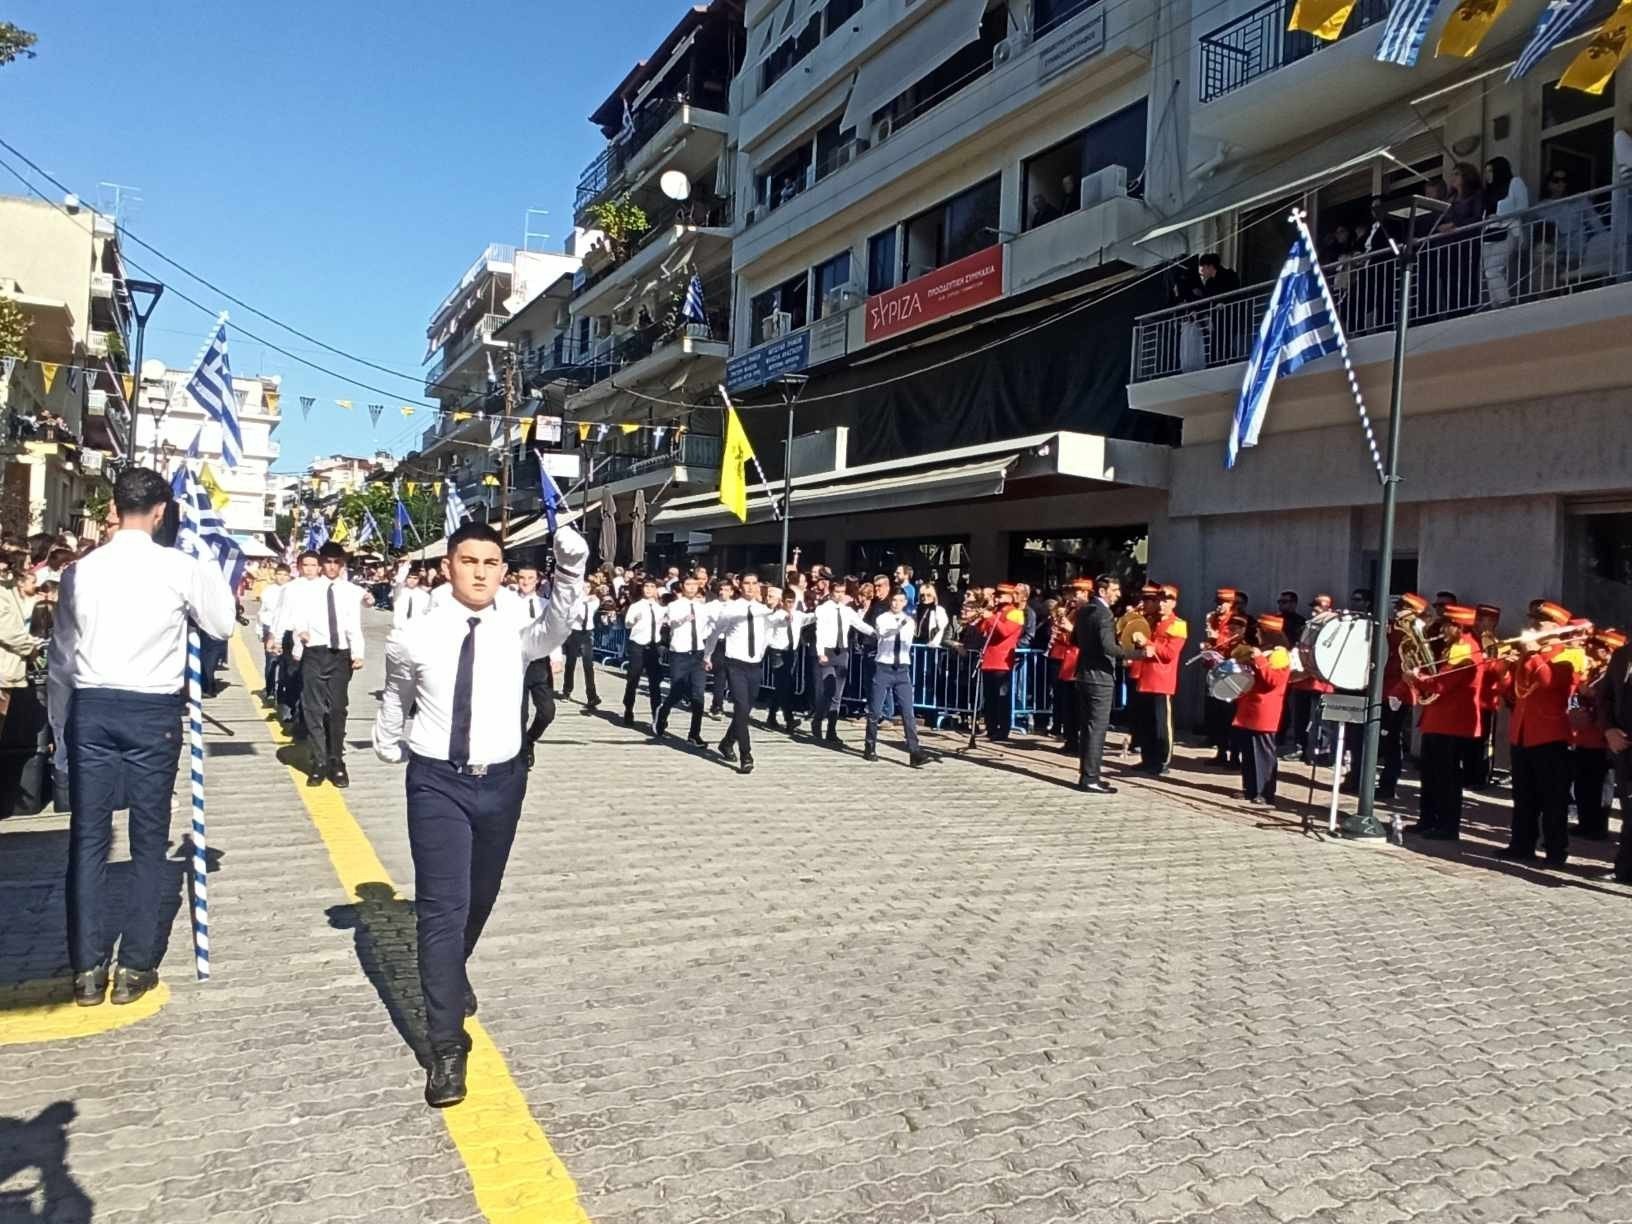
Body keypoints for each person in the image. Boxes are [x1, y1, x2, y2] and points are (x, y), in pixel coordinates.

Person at [372, 521, 584, 1107]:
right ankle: (445, 1046)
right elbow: (396, 695)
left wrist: (569, 571)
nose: (482, 572)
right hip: (438, 781)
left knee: (481, 896)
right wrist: (387, 737)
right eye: (470, 561)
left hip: (502, 780)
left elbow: (558, 624)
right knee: (443, 908)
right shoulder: (415, 633)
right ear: (449, 565)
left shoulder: (518, 621)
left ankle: (450, 971)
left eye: (492, 562)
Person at [55, 467, 236, 1007]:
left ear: (115, 508)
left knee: (87, 840)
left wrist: (62, 735)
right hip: (150, 708)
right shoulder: (178, 567)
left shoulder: (80, 571)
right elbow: (223, 624)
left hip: (90, 705)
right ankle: (134, 966)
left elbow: (61, 659)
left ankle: (86, 969)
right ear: (160, 511)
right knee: (148, 840)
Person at [1494, 600, 1583, 865]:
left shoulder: (1567, 655)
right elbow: (1515, 692)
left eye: (1539, 622)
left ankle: (1556, 851)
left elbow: (1550, 683)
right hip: (1522, 733)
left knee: (1552, 799)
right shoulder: (1528, 655)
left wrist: (1532, 655)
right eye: (1532, 620)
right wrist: (1504, 669)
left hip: (1550, 734)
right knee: (1523, 796)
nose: (1532, 626)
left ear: (1556, 627)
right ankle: (1521, 845)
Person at [286, 542, 368, 788]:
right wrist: (300, 636)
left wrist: (358, 651)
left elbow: (354, 622)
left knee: (337, 709)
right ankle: (319, 761)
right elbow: (297, 618)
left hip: (340, 654)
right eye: (328, 561)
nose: (332, 566)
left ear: (342, 565)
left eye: (337, 562)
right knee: (313, 709)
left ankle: (336, 761)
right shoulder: (307, 590)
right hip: (315, 652)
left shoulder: (351, 590)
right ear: (321, 563)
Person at [1409, 605, 1485, 841]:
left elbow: (1443, 684)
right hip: (1438, 720)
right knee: (1430, 774)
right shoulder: (1453, 647)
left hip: (1452, 722)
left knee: (1447, 777)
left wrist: (1417, 678)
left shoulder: (1464, 649)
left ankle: (1446, 825)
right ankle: (1428, 819)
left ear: (1458, 626)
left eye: (1446, 625)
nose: (1442, 629)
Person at [703, 571, 771, 775]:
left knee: (746, 710)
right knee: (741, 707)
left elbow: (768, 633)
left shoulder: (763, 610)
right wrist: (707, 655)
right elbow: (715, 633)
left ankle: (726, 742)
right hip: (735, 664)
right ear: (739, 586)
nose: (751, 587)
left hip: (755, 665)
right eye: (747, 583)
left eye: (754, 583)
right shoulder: (731, 609)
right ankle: (746, 754)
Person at [1233, 615, 1293, 806]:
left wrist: (1258, 659)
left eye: (1259, 630)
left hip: (1265, 709)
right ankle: (1250, 788)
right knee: (1249, 752)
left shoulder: (1280, 653)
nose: (1256, 633)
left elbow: (1274, 680)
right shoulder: (1263, 650)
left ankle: (1265, 792)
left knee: (1263, 754)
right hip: (1250, 706)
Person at [864, 589, 927, 767]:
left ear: (905, 602)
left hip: (902, 669)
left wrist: (905, 625)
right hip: (884, 667)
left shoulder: (909, 621)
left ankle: (914, 751)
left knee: (908, 712)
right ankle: (870, 746)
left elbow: (907, 640)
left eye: (900, 600)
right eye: (894, 600)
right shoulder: (882, 618)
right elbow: (883, 634)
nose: (896, 603)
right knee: (875, 710)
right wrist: (898, 626)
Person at [1073, 574, 1124, 794]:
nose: (1118, 595)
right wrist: (1138, 653)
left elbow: (1074, 639)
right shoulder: (1104, 614)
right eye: (1115, 590)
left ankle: (1086, 774)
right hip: (1100, 677)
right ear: (1103, 592)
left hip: (1084, 673)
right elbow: (1109, 648)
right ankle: (1091, 778)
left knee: (1087, 728)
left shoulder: (1084, 610)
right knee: (1097, 729)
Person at [1133, 583, 1187, 776]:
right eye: (1159, 600)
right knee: (1145, 722)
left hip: (1162, 680)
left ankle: (1163, 761)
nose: (1162, 604)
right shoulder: (1151, 621)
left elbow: (1170, 654)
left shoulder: (1178, 624)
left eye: (1166, 600)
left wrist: (1147, 643)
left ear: (1174, 603)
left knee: (1162, 725)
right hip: (1145, 677)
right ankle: (1148, 759)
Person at [812, 585, 871, 748]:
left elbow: (859, 624)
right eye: (836, 592)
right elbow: (820, 631)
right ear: (831, 592)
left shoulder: (847, 611)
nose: (839, 595)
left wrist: (876, 633)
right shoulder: (823, 609)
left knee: (838, 694)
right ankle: (817, 720)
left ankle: (831, 729)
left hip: (842, 653)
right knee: (828, 689)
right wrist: (820, 652)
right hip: (828, 651)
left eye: (842, 592)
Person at [655, 575, 710, 746]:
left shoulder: (703, 607)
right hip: (680, 652)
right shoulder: (675, 605)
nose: (692, 588)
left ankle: (695, 733)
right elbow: (672, 622)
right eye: (688, 584)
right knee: (677, 692)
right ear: (682, 586)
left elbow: (708, 627)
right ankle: (662, 715)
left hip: (698, 653)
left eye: (694, 584)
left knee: (698, 695)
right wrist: (684, 619)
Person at [511, 564, 557, 763]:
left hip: (539, 662)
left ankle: (530, 738)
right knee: (519, 714)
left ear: (537, 580)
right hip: (516, 661)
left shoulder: (545, 604)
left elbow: (553, 632)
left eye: (530, 578)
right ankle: (522, 752)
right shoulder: (508, 603)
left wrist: (556, 658)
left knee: (547, 711)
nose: (526, 582)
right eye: (522, 578)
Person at [1599, 630, 1632, 883]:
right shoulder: (1622, 656)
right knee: (1629, 809)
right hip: (1624, 744)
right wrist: (1608, 729)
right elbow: (1606, 696)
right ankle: (1625, 869)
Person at [976, 585, 1025, 742]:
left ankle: (1003, 730)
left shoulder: (1016, 613)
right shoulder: (996, 612)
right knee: (989, 697)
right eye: (997, 594)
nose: (997, 597)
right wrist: (981, 618)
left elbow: (1004, 632)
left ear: (1011, 597)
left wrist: (990, 617)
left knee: (1002, 698)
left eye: (1002, 595)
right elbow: (983, 631)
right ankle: (990, 728)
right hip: (989, 660)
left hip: (1002, 661)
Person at [1482, 156, 1529, 306]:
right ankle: (1495, 304)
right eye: (1486, 171)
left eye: (1490, 171)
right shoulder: (1489, 192)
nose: (1487, 174)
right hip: (1489, 234)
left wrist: (1500, 216)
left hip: (1508, 230)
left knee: (1492, 269)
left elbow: (1523, 207)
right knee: (1489, 272)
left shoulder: (1515, 182)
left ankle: (1505, 303)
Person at [619, 577, 665, 729]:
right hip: (638, 645)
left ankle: (657, 716)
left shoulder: (660, 607)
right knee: (633, 679)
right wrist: (634, 619)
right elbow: (627, 623)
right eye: (646, 586)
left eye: (652, 586)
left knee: (655, 682)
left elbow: (665, 623)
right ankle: (628, 709)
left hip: (653, 646)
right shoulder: (636, 606)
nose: (649, 589)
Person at [764, 588, 807, 733]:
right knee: (783, 685)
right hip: (777, 652)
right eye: (788, 602)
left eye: (792, 602)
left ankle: (772, 716)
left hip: (791, 653)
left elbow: (810, 617)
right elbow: (775, 620)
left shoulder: (798, 615)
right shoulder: (777, 615)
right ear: (782, 601)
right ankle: (789, 719)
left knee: (783, 686)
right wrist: (785, 618)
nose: (790, 605)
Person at [560, 579, 601, 710]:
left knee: (588, 665)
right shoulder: (574, 601)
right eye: (583, 587)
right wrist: (580, 600)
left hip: (587, 633)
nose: (585, 589)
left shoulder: (594, 601)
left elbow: (586, 614)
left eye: (588, 587)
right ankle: (567, 690)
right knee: (570, 663)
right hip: (574, 633)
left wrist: (583, 601)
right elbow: (577, 614)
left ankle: (592, 696)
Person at [258, 563, 293, 707]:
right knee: (271, 660)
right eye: (280, 574)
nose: (282, 577)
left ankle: (282, 692)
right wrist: (260, 630)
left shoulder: (292, 590)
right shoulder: (268, 591)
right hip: (269, 627)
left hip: (286, 629)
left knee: (285, 661)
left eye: (285, 575)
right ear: (275, 575)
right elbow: (262, 612)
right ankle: (270, 689)